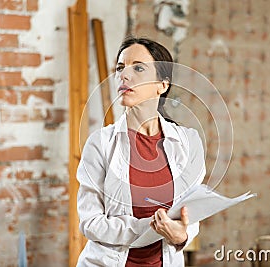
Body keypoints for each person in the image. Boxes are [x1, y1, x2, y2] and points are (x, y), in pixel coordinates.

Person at [76, 36, 206, 267]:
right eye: (120, 68)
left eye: (138, 68)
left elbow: (190, 216)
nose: (124, 75)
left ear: (162, 85)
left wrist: (181, 236)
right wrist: (151, 227)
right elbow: (90, 222)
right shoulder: (100, 144)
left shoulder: (188, 143)